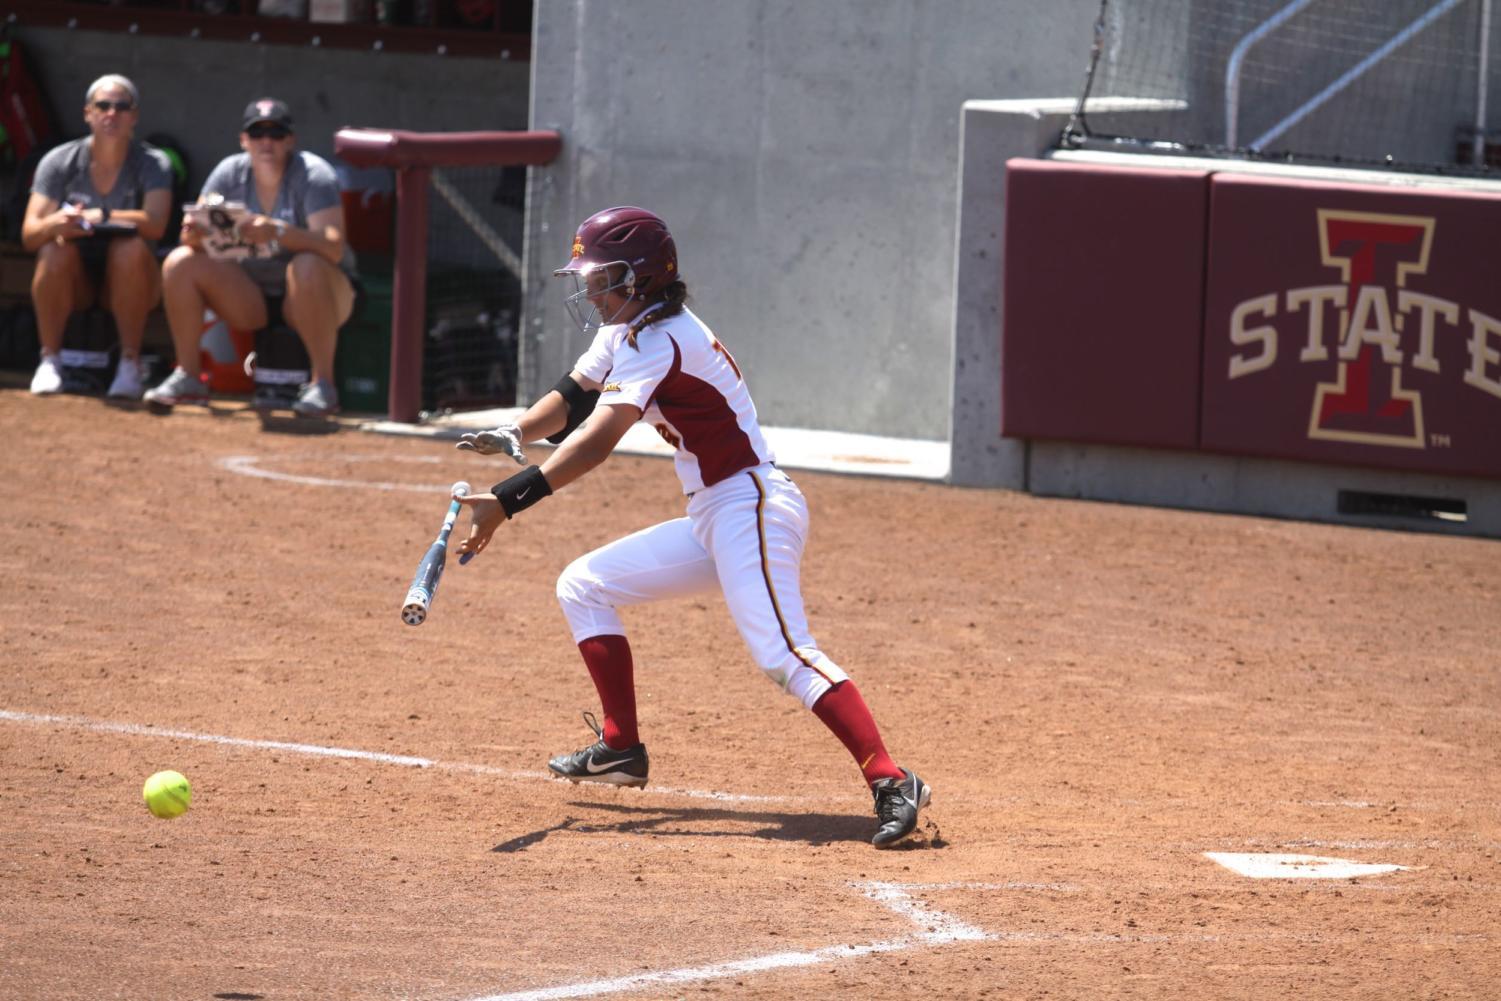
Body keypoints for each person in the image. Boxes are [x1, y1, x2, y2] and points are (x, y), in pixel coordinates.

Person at [452, 206, 932, 849]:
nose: (591, 290)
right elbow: (571, 397)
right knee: (584, 586)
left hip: (752, 507)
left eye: (604, 278)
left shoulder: (661, 338)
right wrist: (514, 432)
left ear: (643, 278)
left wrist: (507, 501)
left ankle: (892, 777)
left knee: (782, 653)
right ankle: (620, 748)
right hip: (715, 513)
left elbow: (594, 444)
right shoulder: (628, 329)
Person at [143, 98, 356, 417]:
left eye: (276, 133)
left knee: (307, 264)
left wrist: (280, 232)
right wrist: (196, 232)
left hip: (320, 295)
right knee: (180, 261)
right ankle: (188, 376)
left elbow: (333, 247)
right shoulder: (228, 173)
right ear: (244, 140)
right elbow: (190, 238)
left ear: (291, 139)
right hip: (250, 296)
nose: (266, 142)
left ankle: (323, 385)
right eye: (257, 134)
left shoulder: (314, 175)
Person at [21, 74, 172, 399]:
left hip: (133, 282)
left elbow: (156, 224)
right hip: (76, 281)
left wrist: (102, 216)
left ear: (135, 116)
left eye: (121, 107)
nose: (111, 114)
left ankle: (130, 364)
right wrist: (58, 223)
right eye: (103, 106)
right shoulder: (59, 161)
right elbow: (30, 234)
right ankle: (50, 360)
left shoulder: (153, 163)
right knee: (53, 251)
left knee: (128, 250)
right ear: (87, 112)